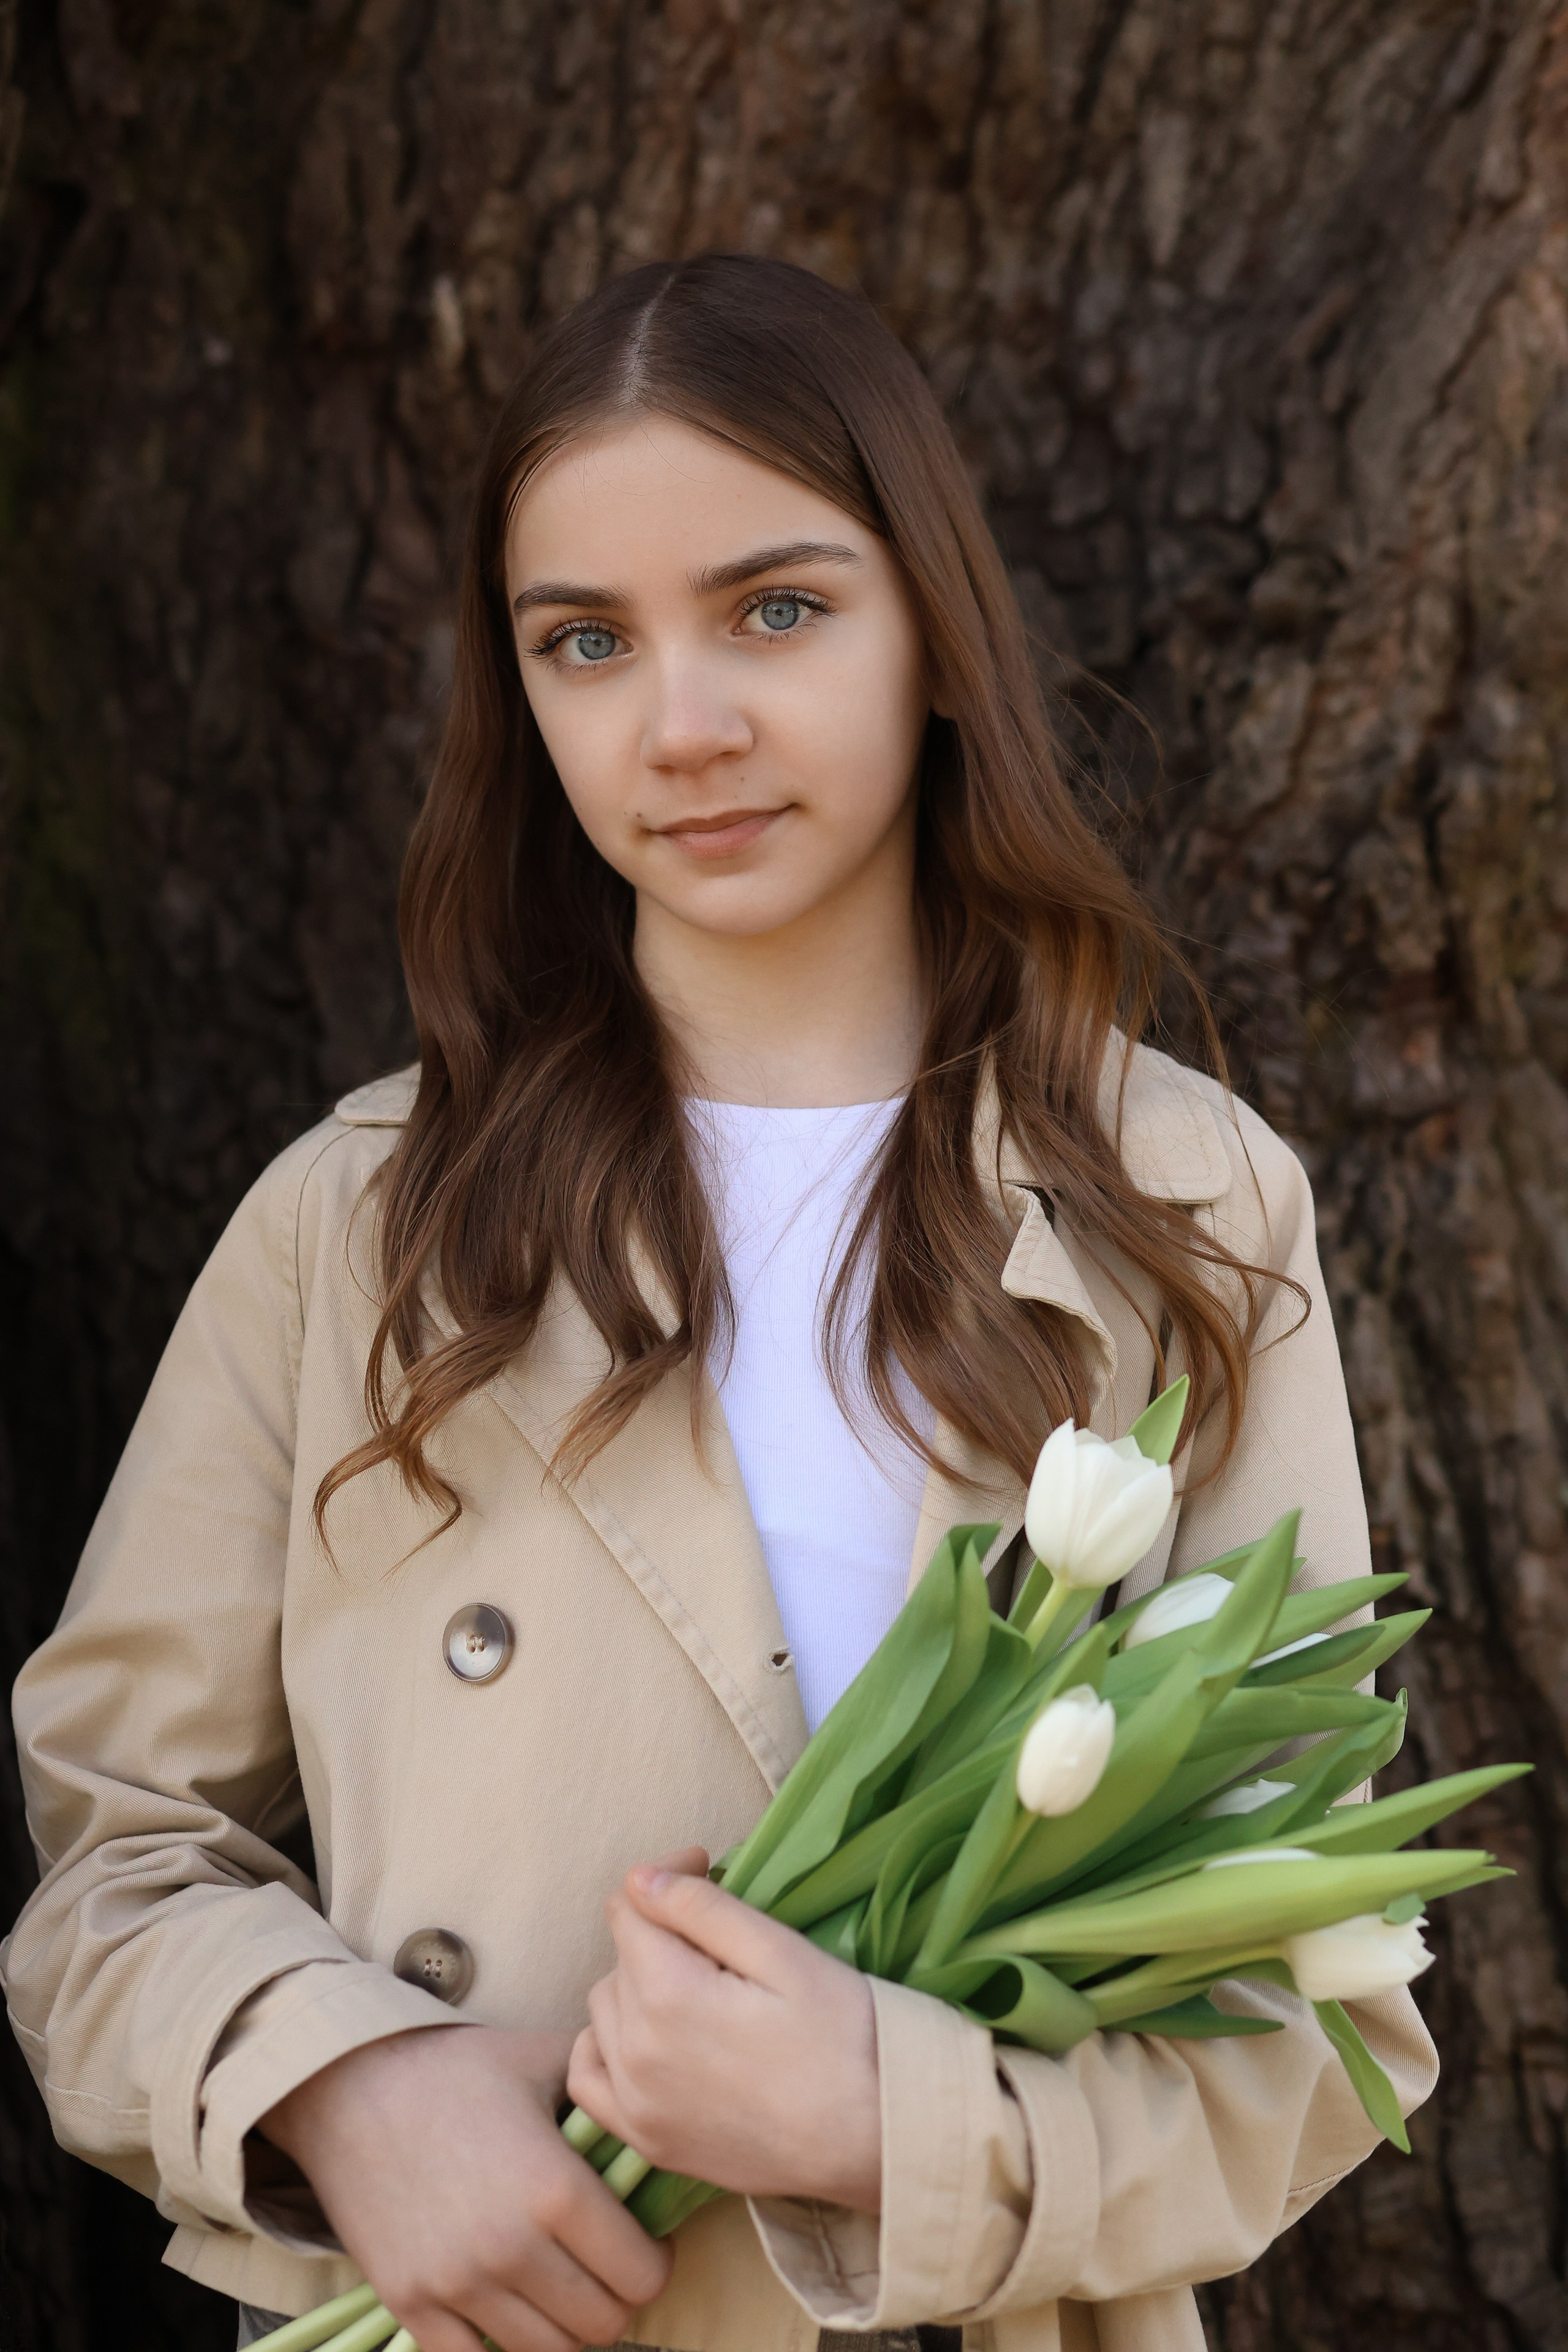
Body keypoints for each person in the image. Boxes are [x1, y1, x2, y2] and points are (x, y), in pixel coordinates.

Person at [1, 254, 1436, 2352]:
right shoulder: (362, 1225)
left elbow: (1320, 1998)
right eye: (586, 641)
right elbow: (111, 1862)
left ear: (933, 629)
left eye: (775, 610)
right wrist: (341, 2086)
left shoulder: (1182, 1204)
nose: (682, 728)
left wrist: (889, 2123)